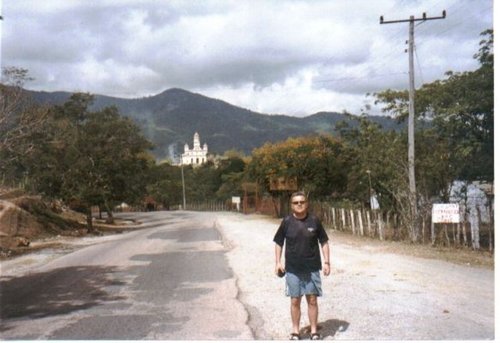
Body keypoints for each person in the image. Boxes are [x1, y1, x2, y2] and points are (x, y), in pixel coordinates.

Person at [273, 191, 330, 340]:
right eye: (296, 202)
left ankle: (313, 331)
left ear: (307, 203)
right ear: (291, 205)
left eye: (302, 202)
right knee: (295, 300)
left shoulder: (314, 221)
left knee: (312, 299)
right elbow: (279, 242)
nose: (299, 204)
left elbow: (324, 241)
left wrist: (327, 262)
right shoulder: (286, 222)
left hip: (312, 268)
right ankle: (295, 331)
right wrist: (278, 262)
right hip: (292, 269)